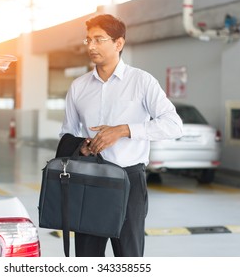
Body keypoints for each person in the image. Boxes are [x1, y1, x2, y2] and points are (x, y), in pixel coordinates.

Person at [59, 14, 183, 257]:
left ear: (119, 43)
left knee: (129, 257)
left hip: (129, 181)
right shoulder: (78, 87)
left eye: (98, 39)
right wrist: (81, 147)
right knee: (86, 257)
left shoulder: (142, 81)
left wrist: (125, 130)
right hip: (89, 181)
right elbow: (67, 134)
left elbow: (173, 124)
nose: (91, 46)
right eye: (88, 40)